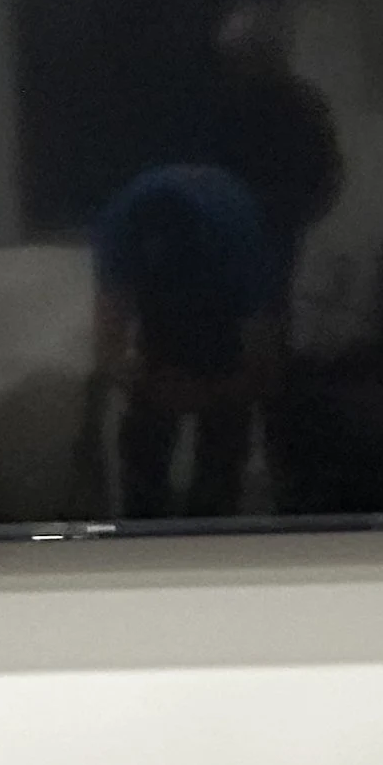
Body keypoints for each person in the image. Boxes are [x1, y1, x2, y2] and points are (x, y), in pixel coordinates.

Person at [91, 163, 281, 520]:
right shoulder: (118, 231)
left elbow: (265, 364)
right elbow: (107, 349)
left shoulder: (242, 239)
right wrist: (140, 381)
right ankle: (140, 527)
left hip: (224, 310)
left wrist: (216, 391)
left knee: (225, 437)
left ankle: (217, 522)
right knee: (144, 439)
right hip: (161, 334)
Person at [198, 1, 343, 316]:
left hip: (277, 225)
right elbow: (206, 168)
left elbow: (324, 172)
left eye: (248, 54)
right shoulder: (223, 105)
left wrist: (287, 212)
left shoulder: (303, 105)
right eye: (235, 57)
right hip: (228, 226)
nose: (241, 65)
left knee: (269, 310)